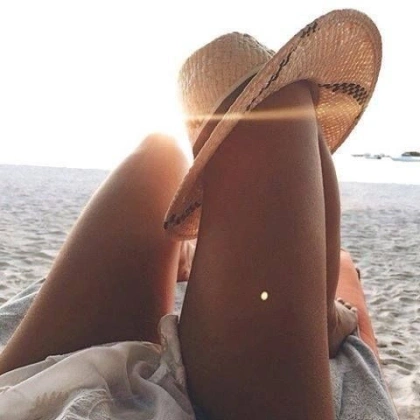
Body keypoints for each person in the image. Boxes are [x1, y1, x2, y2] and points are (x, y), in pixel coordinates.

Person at [0, 9, 397, 420]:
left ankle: (182, 250)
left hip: (25, 394)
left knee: (159, 153)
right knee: (277, 107)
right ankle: (320, 316)